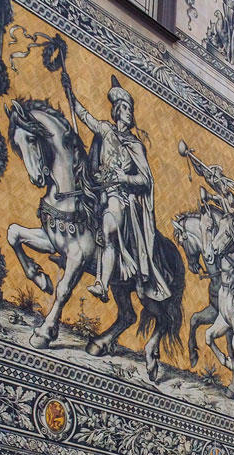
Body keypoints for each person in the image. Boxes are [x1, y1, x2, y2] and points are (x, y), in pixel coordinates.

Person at [62, 72, 170, 304]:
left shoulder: (136, 146)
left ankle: (102, 284)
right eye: (125, 109)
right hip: (97, 191)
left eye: (130, 109)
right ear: (117, 111)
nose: (129, 113)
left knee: (109, 228)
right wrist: (70, 93)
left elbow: (145, 180)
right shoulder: (105, 130)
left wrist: (124, 178)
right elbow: (84, 116)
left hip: (118, 196)